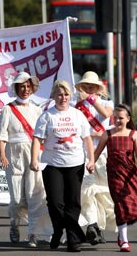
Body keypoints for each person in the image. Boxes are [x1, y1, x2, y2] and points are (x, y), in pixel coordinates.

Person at [30, 79, 95, 252]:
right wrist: (34, 159)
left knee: (73, 202)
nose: (63, 97)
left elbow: (87, 138)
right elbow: (37, 139)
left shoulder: (77, 115)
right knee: (55, 203)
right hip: (52, 165)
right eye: (59, 94)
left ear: (70, 95)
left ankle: (74, 240)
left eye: (66, 94)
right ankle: (58, 229)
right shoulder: (47, 116)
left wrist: (91, 159)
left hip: (75, 164)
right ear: (53, 96)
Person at [93, 104, 137, 252]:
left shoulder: (133, 134)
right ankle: (124, 240)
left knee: (128, 202)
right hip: (114, 175)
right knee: (120, 204)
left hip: (129, 173)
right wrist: (91, 163)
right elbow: (97, 152)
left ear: (128, 119)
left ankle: (121, 235)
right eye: (115, 118)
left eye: (121, 118)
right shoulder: (108, 134)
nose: (118, 121)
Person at [0, 72, 52, 248]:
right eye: (22, 86)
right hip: (13, 154)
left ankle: (33, 232)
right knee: (17, 197)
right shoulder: (7, 109)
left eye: (28, 86)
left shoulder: (37, 109)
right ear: (16, 88)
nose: (25, 89)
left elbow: (42, 135)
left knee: (34, 194)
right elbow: (1, 135)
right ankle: (14, 222)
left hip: (33, 153)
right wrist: (2, 154)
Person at [74, 71, 116, 245]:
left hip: (102, 152)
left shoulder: (107, 102)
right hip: (83, 152)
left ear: (99, 87)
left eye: (93, 85)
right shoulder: (76, 106)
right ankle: (91, 225)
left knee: (103, 193)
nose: (90, 88)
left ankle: (98, 227)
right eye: (86, 85)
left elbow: (106, 114)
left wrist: (91, 99)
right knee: (87, 190)